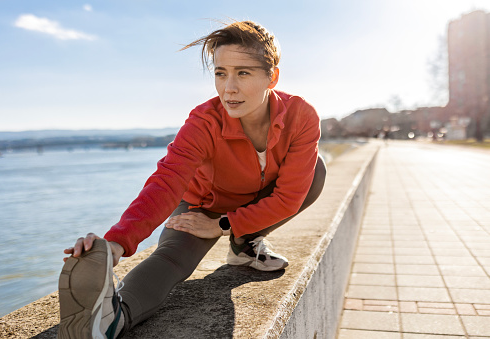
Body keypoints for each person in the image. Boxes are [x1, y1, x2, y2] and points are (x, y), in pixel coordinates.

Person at [58, 20, 327, 339]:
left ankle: (244, 243)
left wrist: (225, 226)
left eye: (243, 73)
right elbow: (167, 179)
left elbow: (288, 197)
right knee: (173, 259)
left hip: (246, 206)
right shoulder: (203, 121)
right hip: (202, 205)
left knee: (316, 172)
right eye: (220, 72)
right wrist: (118, 240)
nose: (229, 88)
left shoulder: (300, 115)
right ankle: (110, 318)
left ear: (272, 76)